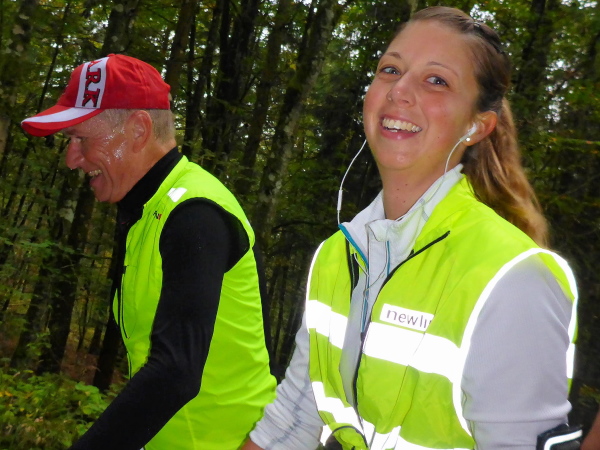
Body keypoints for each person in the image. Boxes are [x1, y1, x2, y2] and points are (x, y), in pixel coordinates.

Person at [242, 6, 580, 450]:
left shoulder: (514, 278)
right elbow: (293, 419)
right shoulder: (337, 256)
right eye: (390, 70)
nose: (399, 91)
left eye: (436, 80)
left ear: (478, 126)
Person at [21, 54, 276, 450]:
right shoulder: (149, 210)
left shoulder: (195, 213)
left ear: (138, 130)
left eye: (80, 139)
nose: (72, 159)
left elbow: (175, 373)